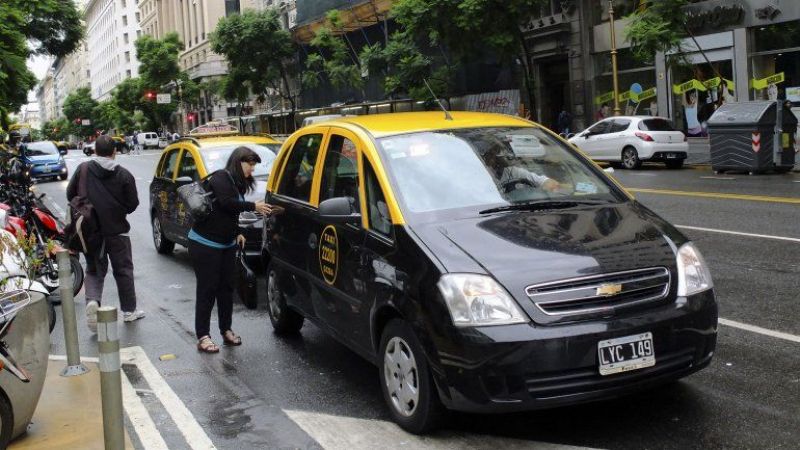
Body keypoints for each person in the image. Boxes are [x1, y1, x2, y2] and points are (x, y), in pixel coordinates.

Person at [189, 147, 273, 353]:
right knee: (207, 289)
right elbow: (227, 204)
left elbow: (229, 214)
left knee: (226, 289)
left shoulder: (239, 184)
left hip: (226, 244)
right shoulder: (220, 178)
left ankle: (226, 330)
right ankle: (203, 336)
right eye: (249, 165)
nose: (251, 170)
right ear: (238, 162)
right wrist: (254, 207)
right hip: (204, 243)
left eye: (253, 166)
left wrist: (237, 232)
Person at [66, 135, 143, 332]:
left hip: (90, 230)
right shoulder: (124, 174)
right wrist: (117, 210)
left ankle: (93, 302)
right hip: (117, 230)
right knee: (123, 270)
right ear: (114, 152)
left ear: (95, 151)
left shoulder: (83, 169)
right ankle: (129, 311)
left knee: (94, 269)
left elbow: (70, 194)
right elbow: (133, 203)